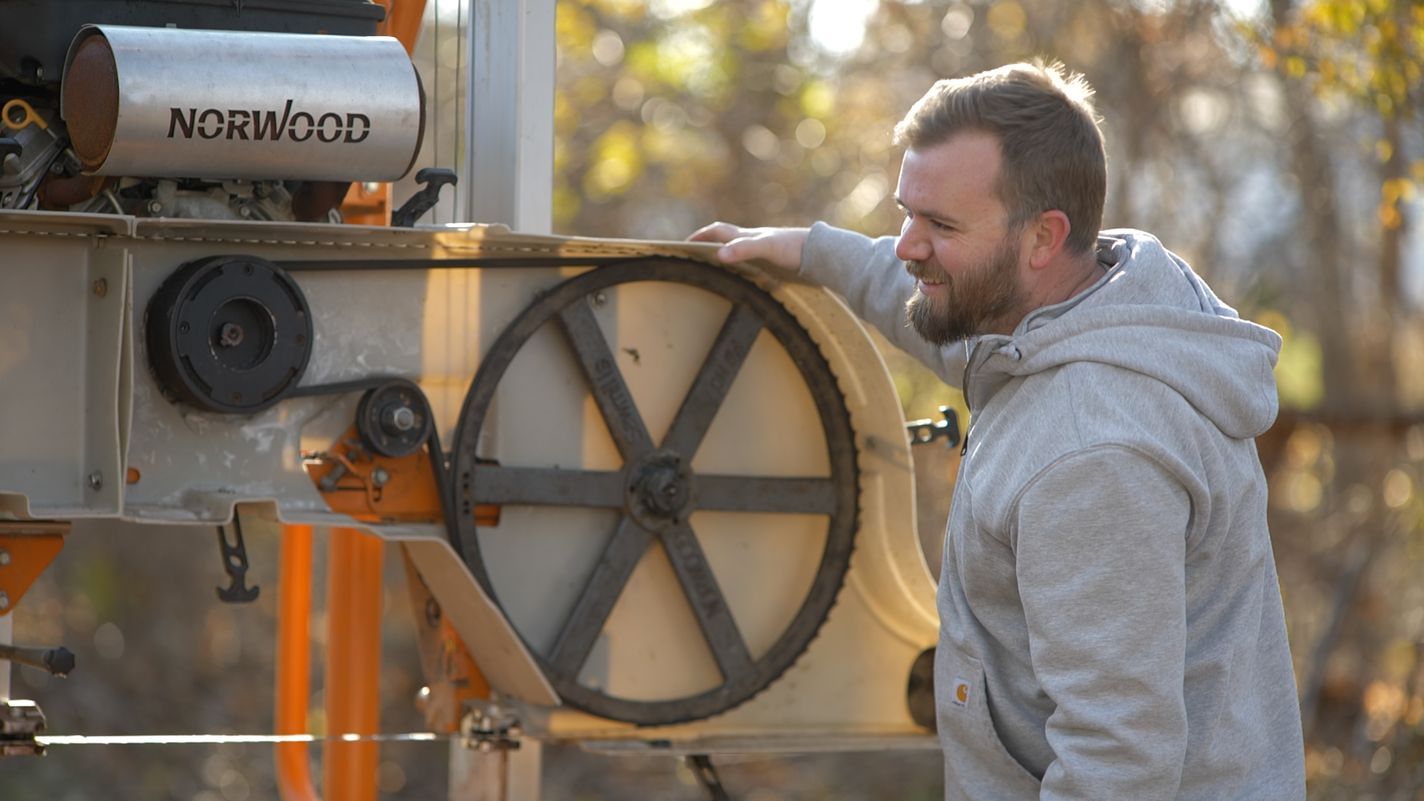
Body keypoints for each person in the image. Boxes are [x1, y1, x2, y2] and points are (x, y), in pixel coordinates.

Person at [691, 61, 1306, 800]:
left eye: (940, 224)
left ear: (1043, 237)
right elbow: (937, 309)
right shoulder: (1084, 309)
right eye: (905, 212)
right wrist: (813, 251)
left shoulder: (1092, 451)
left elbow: (1116, 761)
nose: (906, 245)